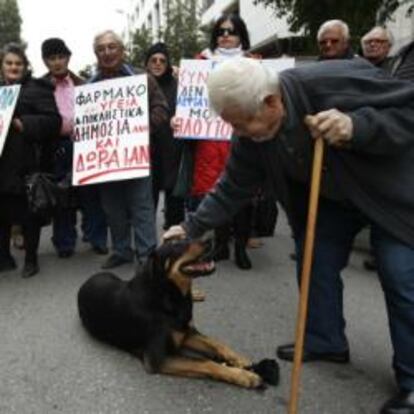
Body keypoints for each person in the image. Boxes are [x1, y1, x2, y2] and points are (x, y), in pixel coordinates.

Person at [164, 57, 414, 413]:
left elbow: (408, 111)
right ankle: (325, 340)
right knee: (314, 261)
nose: (243, 132)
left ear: (272, 101)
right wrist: (190, 227)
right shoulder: (249, 132)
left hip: (386, 192)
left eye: (245, 122)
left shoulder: (333, 80)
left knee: (401, 273)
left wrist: (358, 125)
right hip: (330, 199)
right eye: (234, 125)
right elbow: (232, 187)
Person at [183, 14, 259, 270]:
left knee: (245, 190)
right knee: (215, 188)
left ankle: (241, 245)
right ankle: (222, 242)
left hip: (244, 134)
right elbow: (188, 100)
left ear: (241, 35)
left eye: (232, 31)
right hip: (211, 139)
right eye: (221, 32)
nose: (226, 36)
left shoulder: (253, 63)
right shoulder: (200, 63)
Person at [91, 30, 169, 270]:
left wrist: (143, 126)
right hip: (106, 159)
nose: (107, 52)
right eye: (101, 49)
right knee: (112, 208)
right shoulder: (90, 87)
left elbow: (161, 108)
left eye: (112, 46)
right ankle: (122, 250)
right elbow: (81, 121)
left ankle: (147, 257)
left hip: (136, 155)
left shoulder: (142, 78)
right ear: (96, 55)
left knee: (141, 206)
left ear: (122, 50)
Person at [0, 43, 61, 277]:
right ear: (2, 65)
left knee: (29, 214)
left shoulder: (38, 89)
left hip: (27, 163)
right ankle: (4, 257)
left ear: (25, 66)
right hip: (1, 163)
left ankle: (31, 260)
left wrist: (23, 124)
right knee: (1, 213)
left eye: (18, 63)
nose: (14, 67)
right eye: (9, 63)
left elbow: (54, 122)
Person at [41, 37, 83, 258]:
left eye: (61, 57)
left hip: (85, 144)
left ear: (68, 58)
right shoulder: (40, 87)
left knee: (88, 193)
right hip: (56, 146)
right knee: (61, 196)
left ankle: (94, 235)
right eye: (52, 58)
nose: (57, 62)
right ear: (46, 62)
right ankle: (64, 242)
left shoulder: (82, 83)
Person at [145, 42, 185, 229]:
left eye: (162, 60)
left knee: (174, 197)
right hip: (147, 151)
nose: (158, 64)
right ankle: (147, 245)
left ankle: (174, 238)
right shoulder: (137, 86)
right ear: (147, 63)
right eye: (153, 60)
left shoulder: (179, 85)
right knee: (147, 199)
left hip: (173, 149)